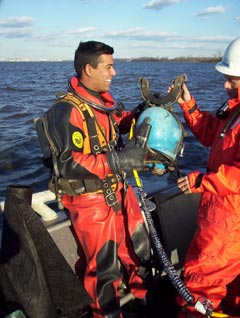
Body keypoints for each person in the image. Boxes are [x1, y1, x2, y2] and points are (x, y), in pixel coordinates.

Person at [37, 40, 154, 318]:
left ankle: (145, 302)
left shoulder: (101, 105)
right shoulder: (65, 111)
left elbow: (113, 125)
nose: (114, 73)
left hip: (119, 192)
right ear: (89, 69)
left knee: (139, 250)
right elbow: (68, 162)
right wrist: (120, 161)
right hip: (91, 201)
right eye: (109, 67)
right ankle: (106, 314)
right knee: (104, 269)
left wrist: (142, 110)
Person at [174, 36, 240, 318]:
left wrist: (201, 181)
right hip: (225, 216)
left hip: (229, 223)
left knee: (200, 289)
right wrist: (189, 105)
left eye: (232, 79)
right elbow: (213, 133)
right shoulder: (235, 111)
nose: (225, 85)